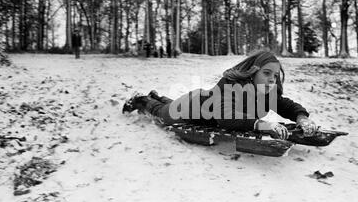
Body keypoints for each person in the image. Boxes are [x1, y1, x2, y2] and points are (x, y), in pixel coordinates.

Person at [122, 51, 317, 139]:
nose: (272, 79)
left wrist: (302, 118)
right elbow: (226, 118)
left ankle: (157, 95)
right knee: (162, 114)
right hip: (192, 107)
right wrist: (262, 124)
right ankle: (142, 99)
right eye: (266, 73)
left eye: (275, 75)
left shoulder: (266, 92)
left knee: (167, 104)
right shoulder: (231, 85)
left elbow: (285, 105)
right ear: (253, 71)